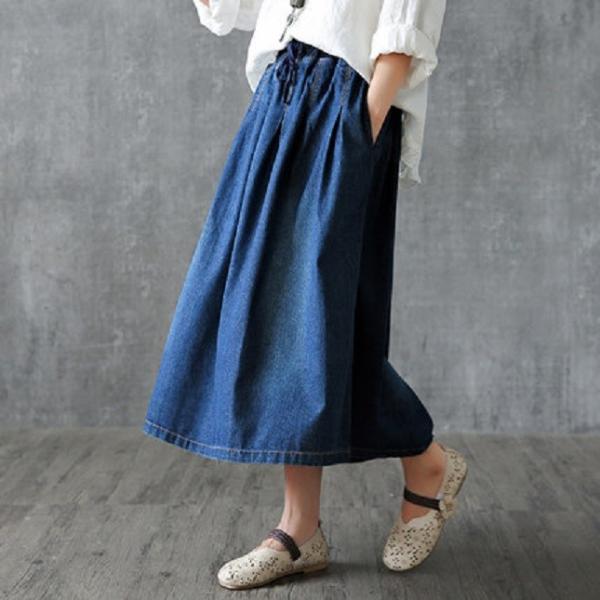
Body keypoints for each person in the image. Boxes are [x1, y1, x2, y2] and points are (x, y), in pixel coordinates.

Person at [142, 0, 468, 590]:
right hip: (280, 94)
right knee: (285, 316)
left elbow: (406, 17)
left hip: (345, 99)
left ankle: (332, 511)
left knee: (308, 316)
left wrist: (362, 123)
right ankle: (321, 519)